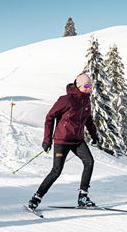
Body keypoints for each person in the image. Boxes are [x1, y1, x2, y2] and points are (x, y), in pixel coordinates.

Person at [28, 73, 99, 210]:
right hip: (62, 140)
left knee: (89, 162)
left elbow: (88, 119)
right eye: (86, 85)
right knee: (56, 171)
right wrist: (47, 139)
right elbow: (50, 117)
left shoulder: (86, 101)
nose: (89, 88)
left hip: (77, 140)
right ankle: (36, 198)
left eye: (90, 85)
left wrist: (94, 135)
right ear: (79, 86)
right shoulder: (66, 100)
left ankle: (83, 197)